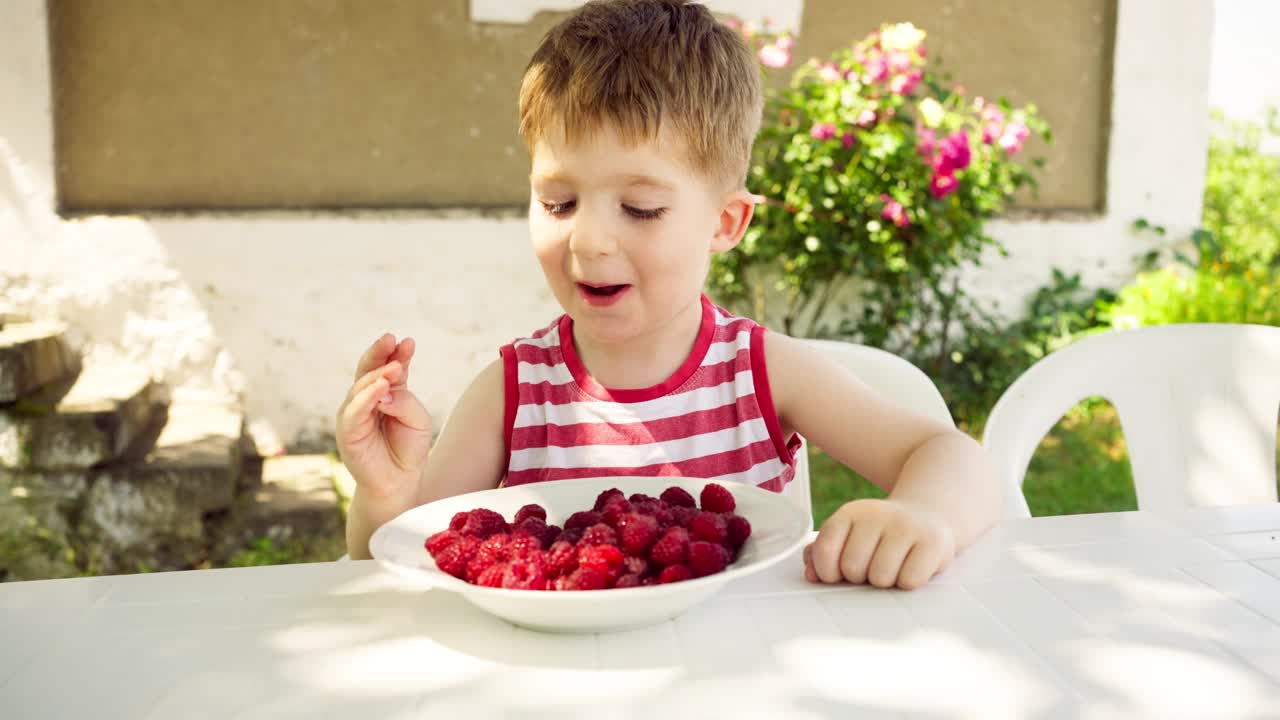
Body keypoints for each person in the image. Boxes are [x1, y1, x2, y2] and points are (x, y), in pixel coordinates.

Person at [336, 0, 1000, 589]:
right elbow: (403, 567)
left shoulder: (761, 373)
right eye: (558, 201)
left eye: (642, 207)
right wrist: (387, 492)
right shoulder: (514, 392)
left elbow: (952, 457)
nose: (590, 241)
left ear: (724, 223)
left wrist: (924, 515)